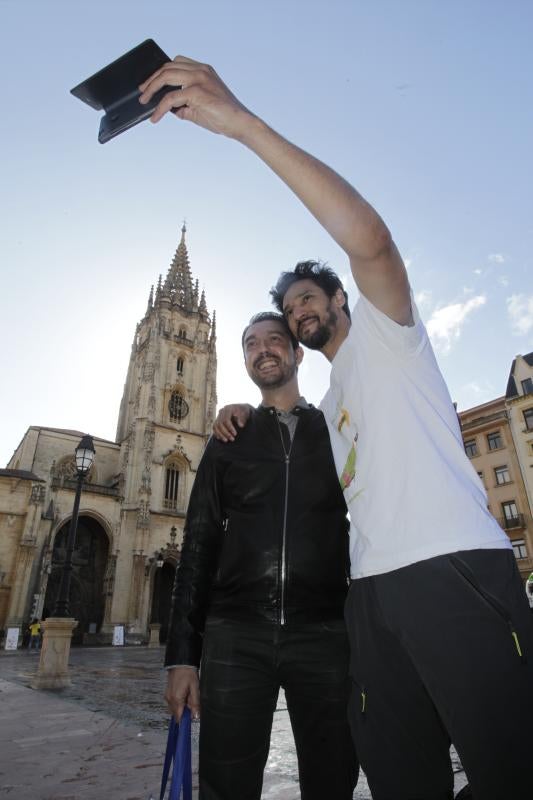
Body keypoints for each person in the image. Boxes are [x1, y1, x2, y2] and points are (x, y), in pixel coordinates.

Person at [140, 57, 533, 799]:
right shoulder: (322, 403)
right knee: (399, 779)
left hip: (447, 572)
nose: (294, 314)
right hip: (367, 607)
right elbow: (226, 515)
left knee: (508, 766)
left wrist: (243, 125)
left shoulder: (389, 334)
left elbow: (371, 240)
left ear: (339, 299)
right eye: (285, 312)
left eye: (305, 300)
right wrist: (242, 412)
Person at [163, 312, 358, 800]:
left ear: (296, 353)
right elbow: (198, 544)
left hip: (325, 634)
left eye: (276, 340)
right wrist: (182, 658)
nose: (264, 348)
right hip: (235, 636)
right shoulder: (229, 436)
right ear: (246, 360)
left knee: (333, 777)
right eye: (252, 343)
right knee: (225, 784)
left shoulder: (334, 430)